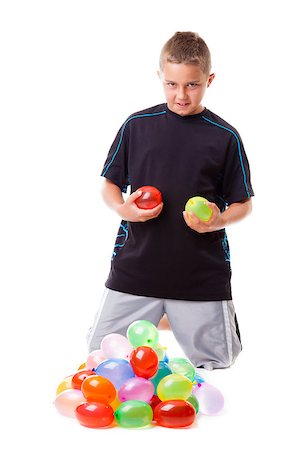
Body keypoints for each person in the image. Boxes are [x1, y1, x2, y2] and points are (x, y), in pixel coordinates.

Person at [87, 31, 254, 370]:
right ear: (160, 77)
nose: (180, 95)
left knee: (220, 362)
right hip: (136, 267)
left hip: (199, 273)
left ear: (209, 79)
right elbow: (109, 183)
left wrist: (218, 220)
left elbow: (243, 203)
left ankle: (175, 313)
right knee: (99, 357)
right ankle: (166, 314)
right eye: (171, 84)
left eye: (192, 85)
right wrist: (123, 209)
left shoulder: (225, 136)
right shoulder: (137, 125)